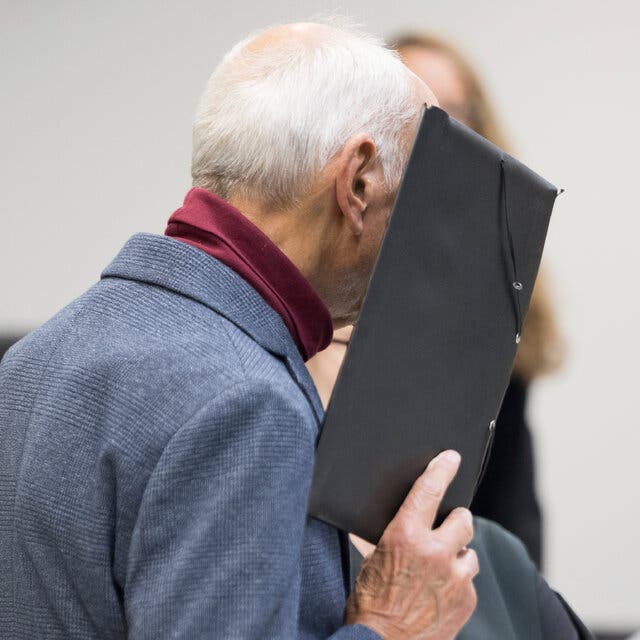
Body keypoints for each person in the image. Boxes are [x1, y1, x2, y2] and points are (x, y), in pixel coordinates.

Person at [1, 20, 485, 640]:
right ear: (359, 181)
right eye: (419, 195)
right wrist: (390, 628)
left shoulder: (35, 357)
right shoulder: (245, 402)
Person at [393, 32, 565, 568]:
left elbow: (511, 491)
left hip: (470, 561)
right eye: (417, 111)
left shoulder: (500, 270)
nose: (438, 128)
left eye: (453, 110)